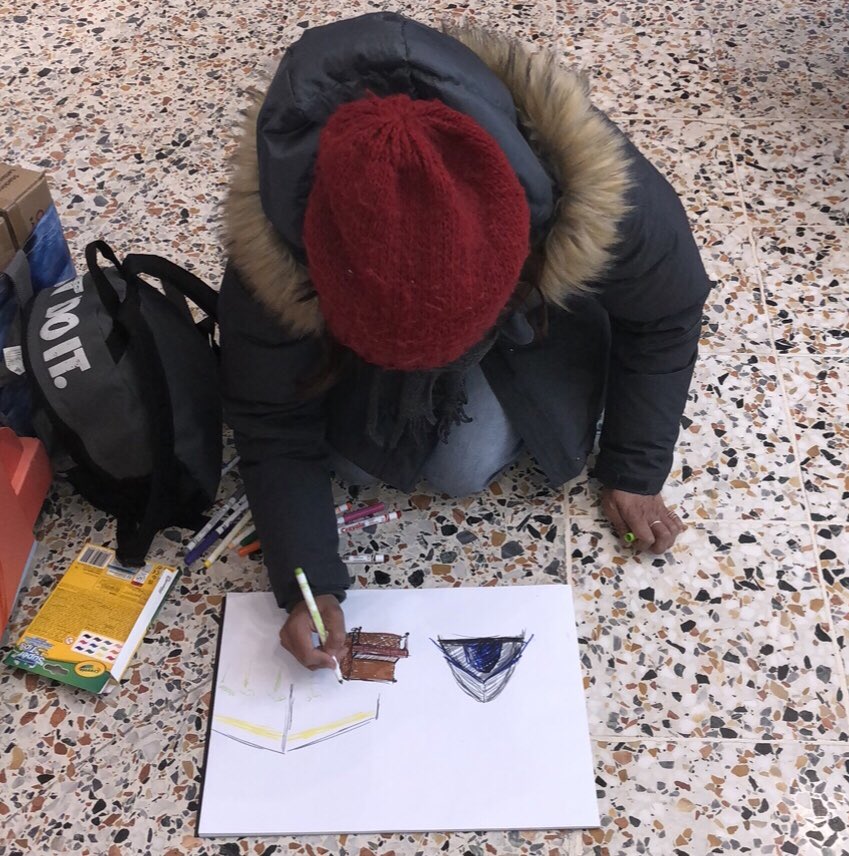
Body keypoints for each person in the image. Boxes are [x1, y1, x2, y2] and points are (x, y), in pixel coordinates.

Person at [218, 12, 710, 672]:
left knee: (461, 464)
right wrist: (307, 577)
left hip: (529, 322)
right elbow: (269, 413)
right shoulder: (275, 242)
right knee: (358, 465)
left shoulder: (596, 186)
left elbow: (668, 313)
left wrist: (634, 468)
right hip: (399, 309)